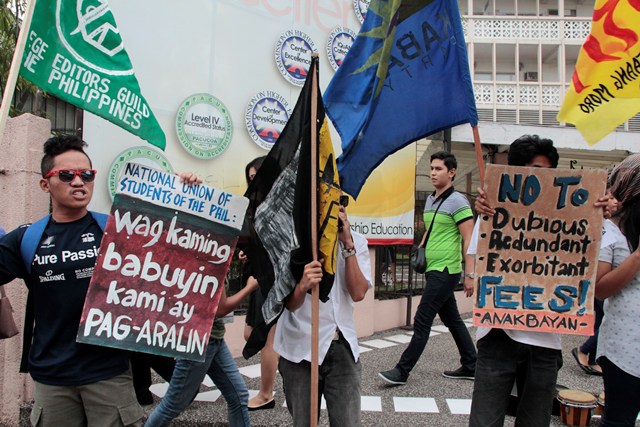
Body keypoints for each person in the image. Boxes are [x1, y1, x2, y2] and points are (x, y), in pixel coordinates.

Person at [0, 135, 197, 427]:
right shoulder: (25, 238)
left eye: (86, 175)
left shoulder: (119, 228)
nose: (78, 182)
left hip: (109, 373)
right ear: (45, 184)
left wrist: (187, 197)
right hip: (52, 378)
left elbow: (177, 254)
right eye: (66, 175)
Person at [466, 135, 564, 427]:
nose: (540, 179)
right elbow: (476, 257)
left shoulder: (570, 215)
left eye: (548, 172)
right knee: (485, 421)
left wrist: (603, 211)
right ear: (516, 173)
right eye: (533, 170)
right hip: (498, 334)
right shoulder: (493, 212)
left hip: (547, 337)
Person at [379, 151, 476, 385]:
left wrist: (471, 274)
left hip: (446, 270)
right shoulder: (432, 199)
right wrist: (422, 247)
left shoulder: (458, 201)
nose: (433, 172)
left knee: (422, 320)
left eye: (439, 169)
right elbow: (434, 231)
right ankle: (472, 364)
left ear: (452, 172)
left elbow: (469, 239)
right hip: (433, 268)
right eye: (431, 168)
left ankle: (402, 371)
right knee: (452, 320)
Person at [274, 199, 372, 426]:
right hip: (300, 349)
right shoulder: (294, 242)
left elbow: (358, 292)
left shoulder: (357, 241)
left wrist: (348, 245)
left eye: (339, 203)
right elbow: (287, 303)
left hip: (342, 346)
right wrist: (302, 286)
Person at [145, 279, 258, 427]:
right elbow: (221, 309)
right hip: (199, 340)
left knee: (239, 396)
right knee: (173, 404)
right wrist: (249, 287)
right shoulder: (214, 259)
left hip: (212, 338)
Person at [594, 154, 640, 426]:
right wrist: (637, 257)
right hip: (625, 350)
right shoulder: (611, 231)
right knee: (618, 420)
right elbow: (600, 289)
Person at [241, 156, 279, 411]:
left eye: (258, 178)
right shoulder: (255, 205)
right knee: (249, 333)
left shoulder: (278, 205)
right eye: (250, 179)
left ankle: (266, 394)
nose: (254, 183)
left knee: (266, 340)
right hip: (258, 276)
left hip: (274, 279)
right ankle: (294, 363)